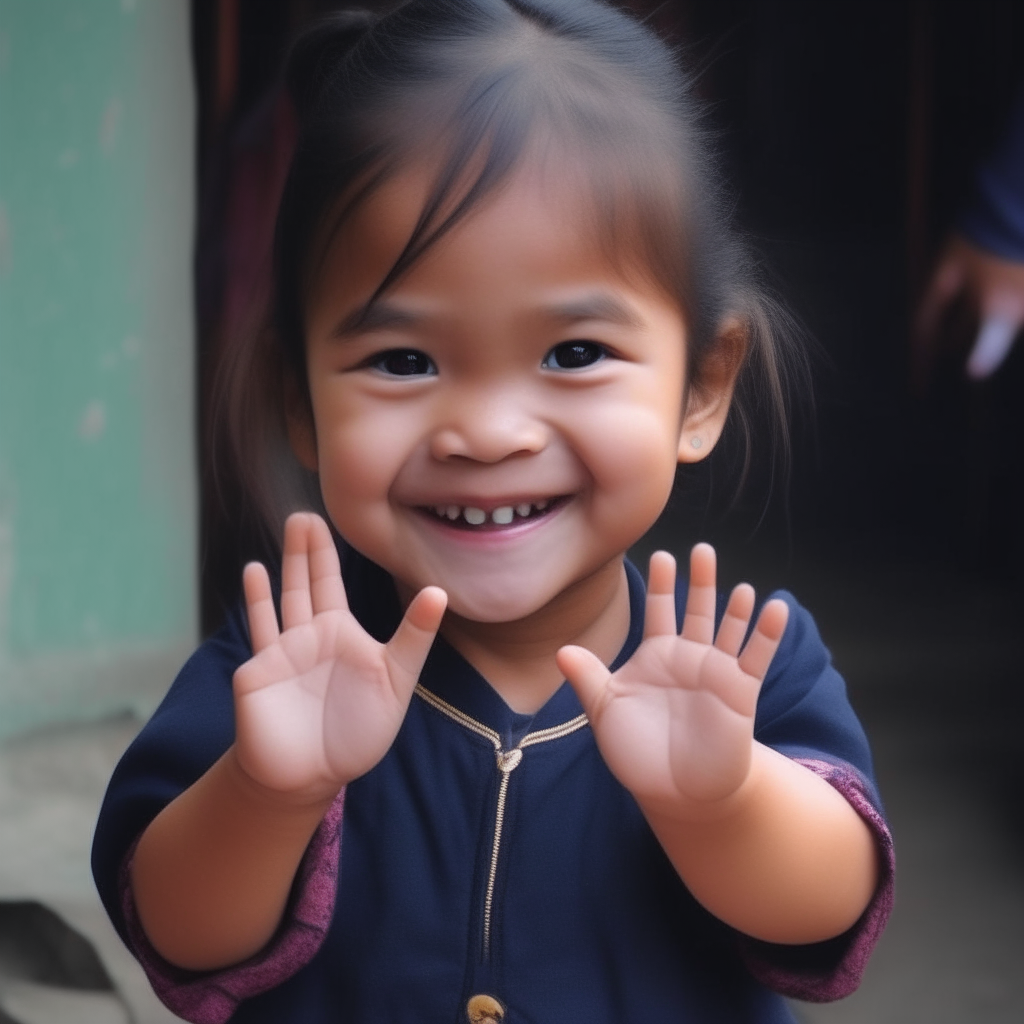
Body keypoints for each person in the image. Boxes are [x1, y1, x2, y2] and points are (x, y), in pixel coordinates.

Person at [92, 2, 894, 1021]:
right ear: (301, 400)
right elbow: (175, 934)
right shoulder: (281, 664)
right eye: (403, 360)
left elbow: (828, 911)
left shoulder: (746, 668)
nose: (487, 432)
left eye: (572, 354)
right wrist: (268, 791)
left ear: (700, 385)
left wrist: (724, 801)